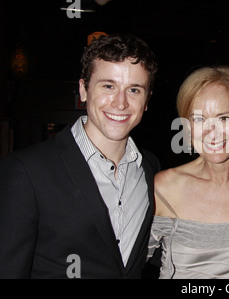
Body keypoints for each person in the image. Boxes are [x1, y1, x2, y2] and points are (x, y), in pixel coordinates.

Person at [0, 33, 160, 278]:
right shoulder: (26, 170)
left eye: (134, 90)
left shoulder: (150, 167)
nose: (120, 103)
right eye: (108, 86)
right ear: (83, 90)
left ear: (147, 100)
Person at [146, 66, 229, 279]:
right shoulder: (163, 187)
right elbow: (125, 264)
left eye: (224, 118)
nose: (212, 131)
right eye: (199, 119)